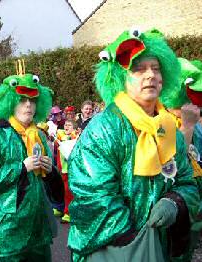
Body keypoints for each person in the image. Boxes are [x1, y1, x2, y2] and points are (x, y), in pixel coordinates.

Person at [68, 28, 199, 261]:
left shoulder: (170, 130)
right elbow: (94, 195)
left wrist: (174, 202)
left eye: (156, 68)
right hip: (116, 250)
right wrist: (136, 242)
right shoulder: (103, 129)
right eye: (138, 69)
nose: (150, 75)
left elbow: (187, 183)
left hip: (163, 249)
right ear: (120, 77)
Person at [0, 61, 64, 261]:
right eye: (21, 100)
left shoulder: (39, 136)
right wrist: (21, 168)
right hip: (8, 233)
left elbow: (49, 185)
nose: (28, 105)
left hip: (38, 231)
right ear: (11, 102)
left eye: (32, 100)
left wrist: (50, 172)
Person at [162, 57, 202, 259]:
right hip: (174, 212)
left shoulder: (192, 121)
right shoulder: (161, 122)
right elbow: (170, 169)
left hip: (194, 208)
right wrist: (187, 127)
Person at [55, 119, 78, 223]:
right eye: (65, 125)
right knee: (62, 190)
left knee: (69, 192)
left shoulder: (75, 138)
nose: (66, 126)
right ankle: (62, 209)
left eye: (69, 125)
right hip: (63, 169)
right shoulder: (61, 137)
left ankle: (68, 213)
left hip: (72, 170)